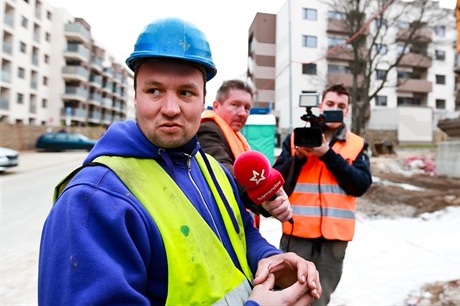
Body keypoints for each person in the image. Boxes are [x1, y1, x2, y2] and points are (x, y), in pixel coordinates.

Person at [38, 17, 321, 305]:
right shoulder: (92, 200)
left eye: (185, 92)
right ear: (135, 96)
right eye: (154, 91)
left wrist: (269, 258)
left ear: (203, 100)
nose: (171, 108)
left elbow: (241, 232)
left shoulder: (210, 168)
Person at [273, 84, 372, 305]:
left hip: (334, 240)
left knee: (319, 297)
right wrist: (298, 158)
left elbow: (360, 185)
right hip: (297, 233)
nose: (334, 109)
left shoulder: (356, 144)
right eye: (330, 104)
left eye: (340, 106)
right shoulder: (294, 139)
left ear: (347, 111)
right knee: (288, 294)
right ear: (320, 106)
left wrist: (327, 154)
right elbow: (278, 182)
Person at [198, 79, 291, 228]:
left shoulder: (235, 135)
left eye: (247, 108)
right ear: (216, 106)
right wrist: (263, 196)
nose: (242, 113)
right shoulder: (208, 129)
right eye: (235, 105)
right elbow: (223, 170)